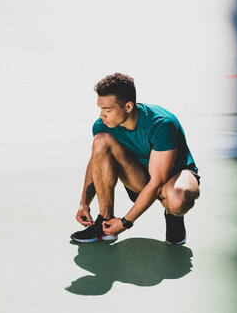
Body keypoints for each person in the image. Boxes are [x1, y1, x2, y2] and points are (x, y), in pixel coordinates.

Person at [70, 72, 200, 245]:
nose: (102, 115)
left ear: (129, 107)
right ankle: (105, 223)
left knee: (176, 201)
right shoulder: (103, 126)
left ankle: (173, 216)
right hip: (138, 176)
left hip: (174, 177)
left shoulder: (161, 124)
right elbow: (96, 161)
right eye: (100, 109)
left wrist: (125, 223)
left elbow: (158, 182)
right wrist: (84, 203)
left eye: (108, 110)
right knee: (100, 141)